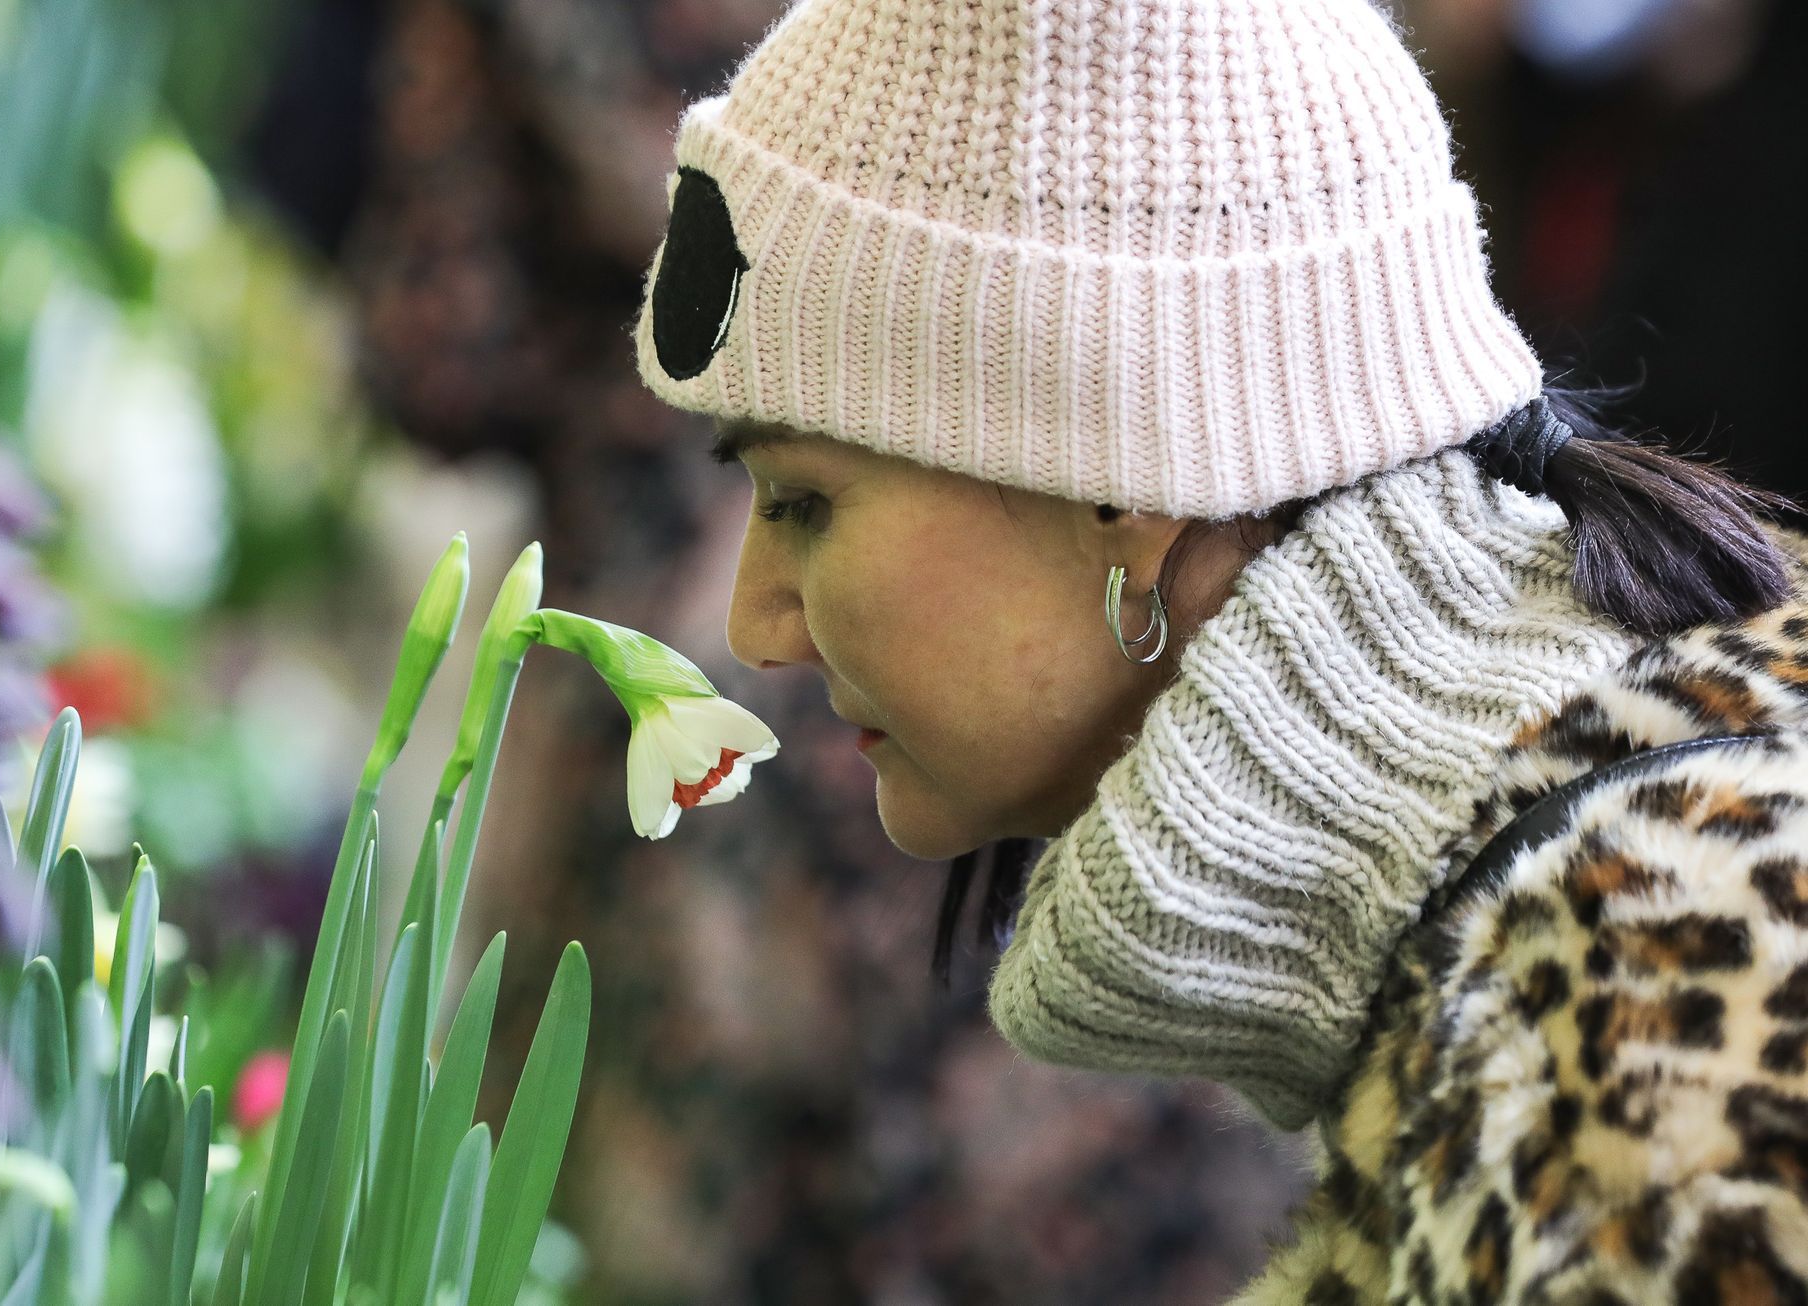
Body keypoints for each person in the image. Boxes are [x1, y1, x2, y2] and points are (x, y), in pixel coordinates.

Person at [629, 0, 1808, 1297]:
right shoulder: (1549, 902)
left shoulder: (1638, 992)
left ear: (1126, 489)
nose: (757, 623)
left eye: (805, 502)